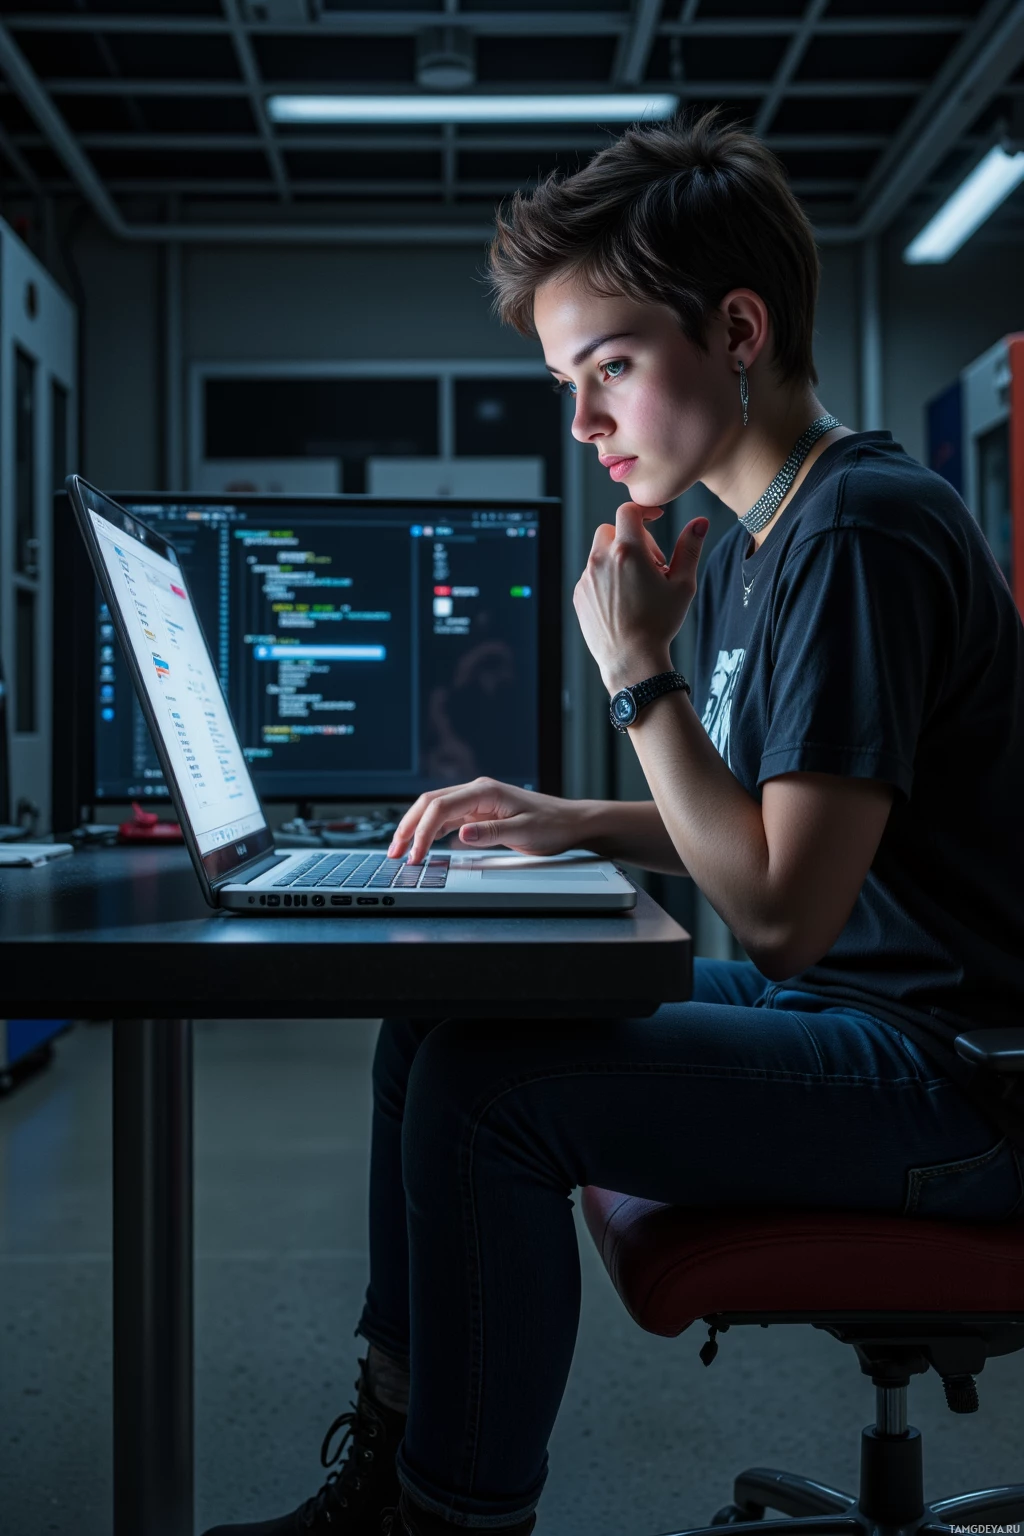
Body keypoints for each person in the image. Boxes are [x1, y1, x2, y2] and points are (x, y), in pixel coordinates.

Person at [204, 109, 1024, 1536]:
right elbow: (783, 834)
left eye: (613, 369)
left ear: (741, 329)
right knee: (438, 1017)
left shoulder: (857, 532)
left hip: (962, 1085)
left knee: (488, 1094)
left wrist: (637, 670)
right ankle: (391, 1465)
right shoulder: (781, 534)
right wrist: (570, 819)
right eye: (564, 382)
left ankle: (447, 1519)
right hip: (864, 1016)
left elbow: (776, 909)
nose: (582, 423)